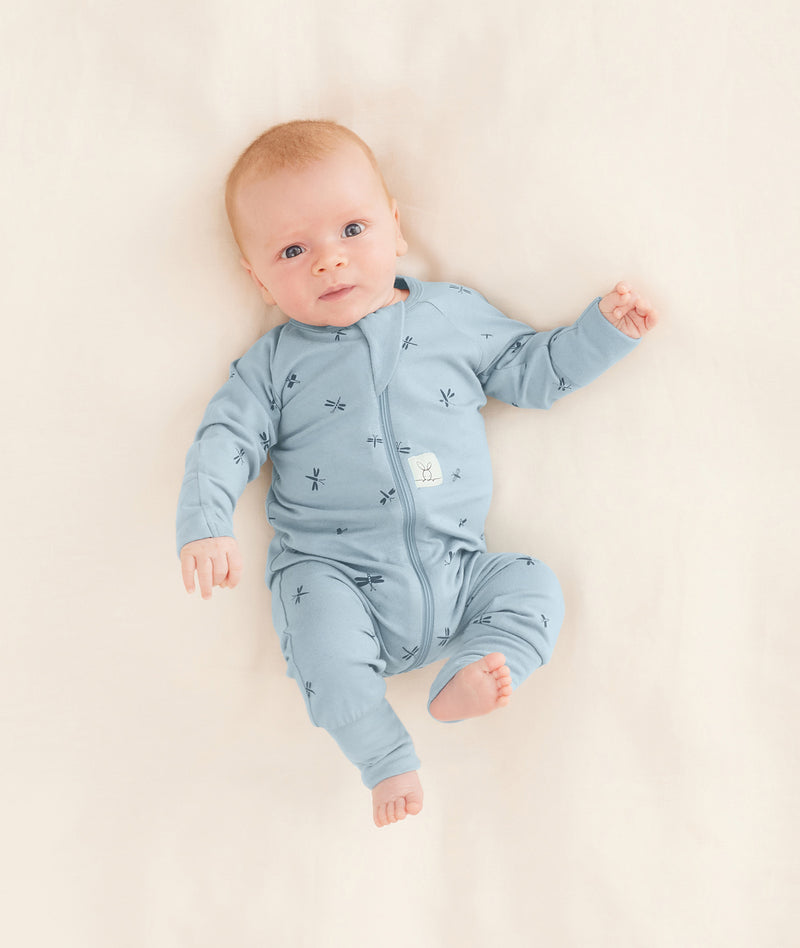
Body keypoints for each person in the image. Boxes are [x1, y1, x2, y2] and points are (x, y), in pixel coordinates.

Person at [176, 120, 658, 828]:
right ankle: (384, 757)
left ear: (396, 229)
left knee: (534, 585)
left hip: (458, 569)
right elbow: (224, 442)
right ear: (257, 278)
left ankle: (479, 666)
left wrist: (602, 334)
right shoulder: (273, 364)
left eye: (352, 229)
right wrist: (206, 523)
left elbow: (531, 371)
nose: (329, 262)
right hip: (332, 572)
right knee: (324, 656)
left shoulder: (452, 316)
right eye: (292, 249)